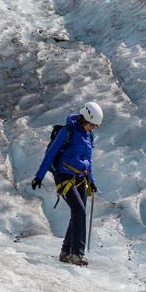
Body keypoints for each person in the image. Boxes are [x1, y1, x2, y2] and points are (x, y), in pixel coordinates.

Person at [32, 102, 102, 266]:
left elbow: (88, 160)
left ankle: (65, 252)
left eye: (95, 126)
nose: (92, 128)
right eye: (91, 125)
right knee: (79, 211)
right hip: (64, 177)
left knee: (79, 212)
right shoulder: (67, 131)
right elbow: (52, 153)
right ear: (84, 118)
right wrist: (39, 176)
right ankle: (76, 254)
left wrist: (91, 181)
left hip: (81, 178)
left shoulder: (88, 135)